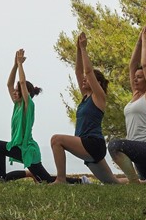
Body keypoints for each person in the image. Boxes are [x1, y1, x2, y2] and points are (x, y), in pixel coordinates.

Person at [50, 33, 118, 184]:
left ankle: (61, 179)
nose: (84, 80)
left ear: (98, 83)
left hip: (92, 144)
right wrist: (78, 50)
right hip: (88, 146)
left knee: (56, 140)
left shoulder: (98, 97)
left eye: (89, 80)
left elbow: (87, 72)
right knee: (114, 183)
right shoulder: (85, 96)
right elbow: (79, 72)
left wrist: (84, 48)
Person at [108, 25, 146, 184]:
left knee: (115, 145)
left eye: (140, 77)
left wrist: (145, 41)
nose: (135, 79)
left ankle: (134, 184)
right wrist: (138, 39)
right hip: (139, 151)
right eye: (135, 77)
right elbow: (132, 65)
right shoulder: (135, 95)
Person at [0, 49, 53, 183]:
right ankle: (1, 178)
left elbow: (23, 83)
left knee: (47, 180)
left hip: (28, 149)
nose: (14, 92)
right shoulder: (17, 104)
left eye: (17, 91)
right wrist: (14, 65)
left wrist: (20, 64)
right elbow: (8, 84)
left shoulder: (27, 105)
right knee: (46, 180)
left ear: (26, 93)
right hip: (20, 147)